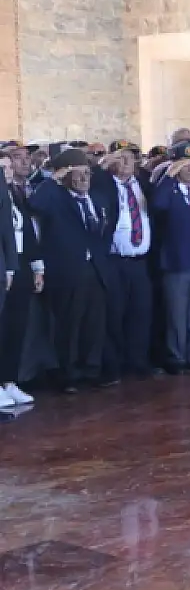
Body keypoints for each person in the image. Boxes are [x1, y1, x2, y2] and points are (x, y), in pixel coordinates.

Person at [32, 147, 115, 393]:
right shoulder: (55, 197)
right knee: (70, 323)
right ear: (63, 177)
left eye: (86, 173)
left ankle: (91, 369)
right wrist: (53, 181)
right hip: (67, 271)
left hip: (96, 268)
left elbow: (105, 227)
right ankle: (68, 374)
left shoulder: (97, 198)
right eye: (76, 174)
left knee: (94, 323)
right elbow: (36, 203)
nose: (83, 179)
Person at [150, 139, 190, 375]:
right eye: (185, 164)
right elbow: (158, 206)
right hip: (177, 262)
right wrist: (169, 177)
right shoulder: (167, 190)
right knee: (176, 314)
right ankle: (176, 356)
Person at [98, 141, 158, 379]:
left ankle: (138, 361)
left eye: (131, 158)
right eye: (121, 159)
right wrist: (104, 167)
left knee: (141, 312)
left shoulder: (142, 184)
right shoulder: (105, 185)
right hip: (115, 260)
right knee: (114, 314)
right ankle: (114, 365)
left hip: (140, 260)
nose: (127, 163)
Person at [0, 150, 37, 413]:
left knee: (16, 325)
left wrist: (36, 266)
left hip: (18, 264)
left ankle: (9, 380)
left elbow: (25, 232)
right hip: (4, 266)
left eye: (8, 167)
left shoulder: (15, 195)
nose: (7, 172)